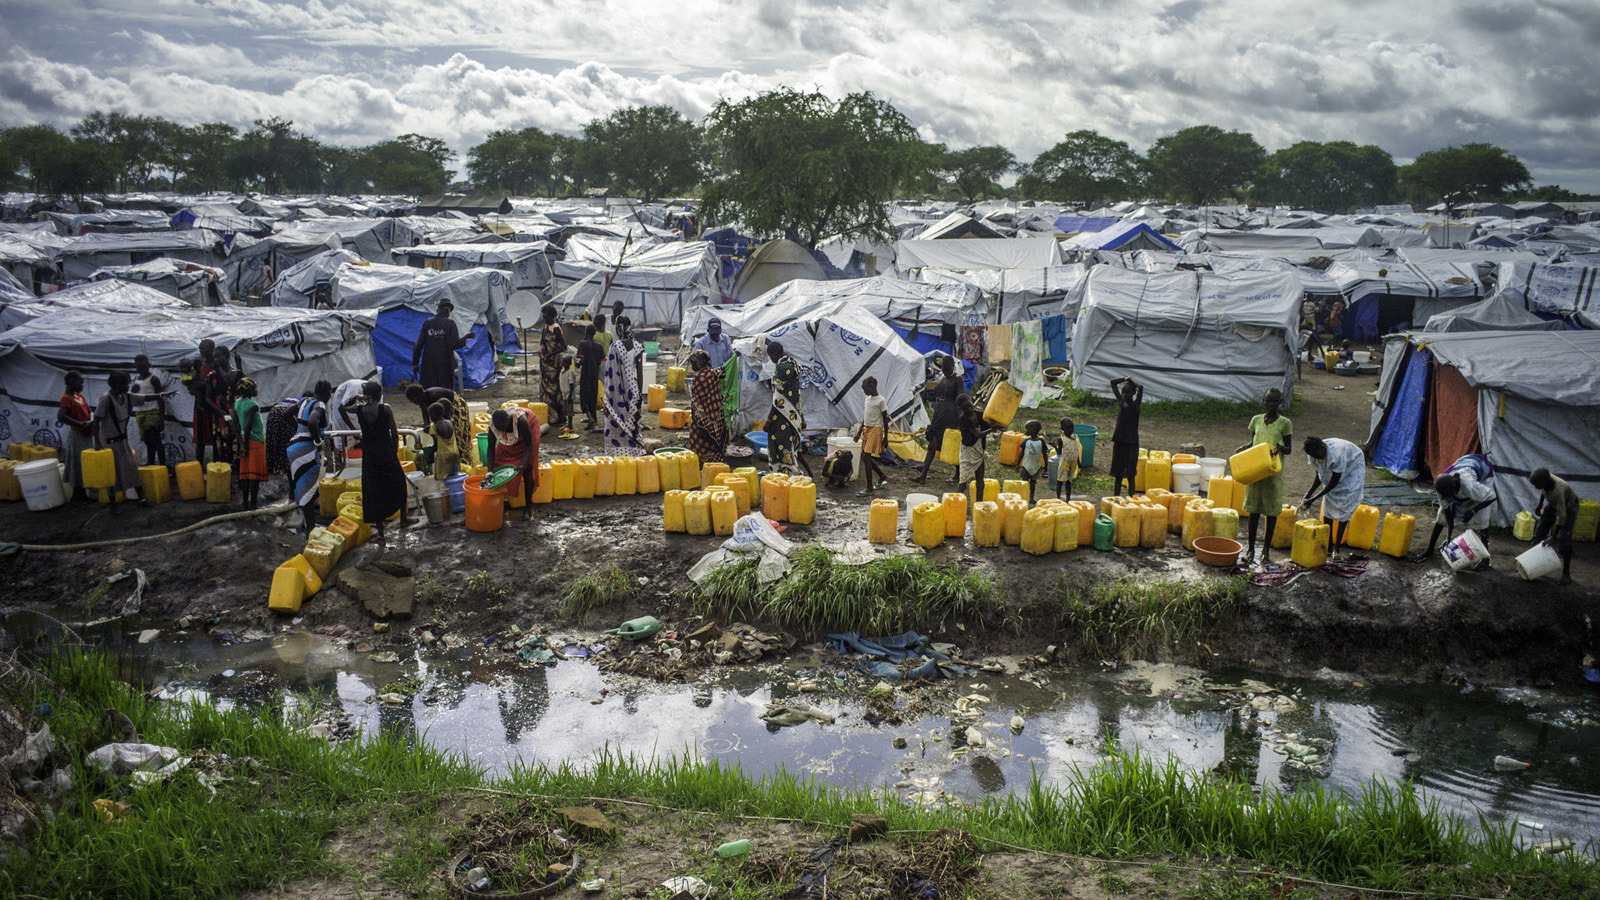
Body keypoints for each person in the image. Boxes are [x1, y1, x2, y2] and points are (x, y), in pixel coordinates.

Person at [342, 381, 411, 540]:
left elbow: (343, 408)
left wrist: (355, 397)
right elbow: (394, 432)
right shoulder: (385, 409)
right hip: (386, 451)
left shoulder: (359, 409)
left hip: (370, 454)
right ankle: (403, 519)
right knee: (399, 483)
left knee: (374, 490)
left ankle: (380, 531)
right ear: (380, 395)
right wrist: (394, 451)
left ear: (366, 395)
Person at [1239, 388, 1293, 565]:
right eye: (1268, 401)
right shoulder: (1255, 420)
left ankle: (1266, 551)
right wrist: (1243, 448)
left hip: (1273, 473)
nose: (1271, 405)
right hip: (1255, 471)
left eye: (1274, 402)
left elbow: (1289, 449)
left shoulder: (1285, 423)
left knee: (1271, 513)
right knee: (1253, 511)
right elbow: (1253, 442)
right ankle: (1250, 549)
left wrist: (1279, 447)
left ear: (1280, 403)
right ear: (1263, 401)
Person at [1413, 454, 1497, 561]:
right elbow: (1447, 513)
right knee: (1441, 516)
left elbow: (1493, 496)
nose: (1446, 498)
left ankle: (1486, 558)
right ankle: (1429, 551)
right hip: (1462, 464)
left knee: (1482, 518)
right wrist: (1448, 537)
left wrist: (1472, 511)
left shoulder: (1471, 487)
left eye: (1448, 495)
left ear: (1454, 488)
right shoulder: (1441, 487)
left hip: (1483, 469)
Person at [1301, 436, 1366, 555]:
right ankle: (1329, 543)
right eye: (1313, 456)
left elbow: (1334, 481)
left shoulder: (1337, 455)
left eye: (1316, 454)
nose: (1315, 458)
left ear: (1322, 447)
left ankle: (1336, 547)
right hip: (1335, 473)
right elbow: (1319, 477)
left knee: (1345, 503)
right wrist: (1307, 496)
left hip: (1353, 463)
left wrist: (1314, 498)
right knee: (1328, 505)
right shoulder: (1313, 453)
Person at [287, 381, 332, 533]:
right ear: (328, 394)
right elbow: (313, 422)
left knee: (304, 489)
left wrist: (299, 430)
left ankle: (309, 527)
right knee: (309, 493)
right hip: (306, 450)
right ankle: (311, 531)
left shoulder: (304, 401)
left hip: (294, 447)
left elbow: (286, 414)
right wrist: (317, 442)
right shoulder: (320, 404)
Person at [91, 370, 141, 506]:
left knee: (131, 468)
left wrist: (161, 395)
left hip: (122, 441)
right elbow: (96, 421)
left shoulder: (126, 397)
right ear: (118, 384)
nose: (128, 386)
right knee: (112, 473)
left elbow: (143, 397)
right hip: (109, 443)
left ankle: (141, 498)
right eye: (126, 383)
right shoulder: (106, 399)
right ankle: (113, 505)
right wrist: (96, 442)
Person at [764, 340, 812, 478]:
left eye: (771, 356)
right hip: (794, 414)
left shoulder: (782, 368)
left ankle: (791, 474)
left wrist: (768, 419)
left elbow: (778, 398)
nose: (771, 359)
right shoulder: (792, 363)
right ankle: (807, 473)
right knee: (792, 446)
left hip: (782, 415)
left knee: (783, 445)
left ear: (775, 353)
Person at [912, 355, 962, 485]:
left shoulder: (957, 379)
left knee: (952, 444)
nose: (945, 371)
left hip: (951, 415)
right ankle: (923, 475)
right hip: (939, 413)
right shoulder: (941, 377)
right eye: (944, 368)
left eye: (947, 368)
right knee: (932, 444)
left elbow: (961, 399)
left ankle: (958, 474)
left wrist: (960, 419)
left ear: (952, 366)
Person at [602, 316, 648, 457]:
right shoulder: (638, 346)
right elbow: (640, 372)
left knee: (615, 423)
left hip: (617, 392)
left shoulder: (615, 347)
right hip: (633, 390)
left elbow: (610, 377)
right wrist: (638, 394)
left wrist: (607, 400)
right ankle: (634, 451)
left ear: (617, 328)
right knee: (632, 423)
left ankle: (618, 453)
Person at [488, 406, 539, 518]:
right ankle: (503, 500)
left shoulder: (521, 421)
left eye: (504, 428)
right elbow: (491, 448)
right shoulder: (494, 425)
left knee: (527, 468)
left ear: (508, 421)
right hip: (512, 436)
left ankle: (528, 509)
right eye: (500, 430)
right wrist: (489, 472)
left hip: (530, 428)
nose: (503, 432)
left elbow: (529, 445)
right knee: (498, 460)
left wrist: (522, 463)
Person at [1530, 467, 1578, 585]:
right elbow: (1543, 491)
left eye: (1536, 484)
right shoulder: (1545, 480)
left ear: (1545, 481)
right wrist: (1540, 504)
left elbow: (1562, 516)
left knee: (1565, 540)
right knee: (1539, 534)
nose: (1535, 487)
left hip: (1569, 508)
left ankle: (1566, 574)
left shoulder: (1558, 490)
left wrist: (1554, 536)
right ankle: (1532, 565)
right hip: (1552, 505)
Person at [404, 384, 471, 466]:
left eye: (413, 400)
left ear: (418, 395)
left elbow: (443, 416)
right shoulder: (422, 402)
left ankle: (463, 462)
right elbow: (426, 422)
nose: (414, 403)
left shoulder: (434, 397)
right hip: (445, 413)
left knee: (458, 434)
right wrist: (426, 432)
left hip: (456, 405)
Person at [411, 300, 465, 391]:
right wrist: (466, 338)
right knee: (445, 395)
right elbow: (455, 344)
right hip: (445, 367)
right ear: (447, 311)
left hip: (429, 366)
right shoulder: (450, 324)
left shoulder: (427, 323)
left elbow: (418, 345)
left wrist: (415, 364)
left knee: (429, 394)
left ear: (438, 309)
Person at [686, 349, 728, 465]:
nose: (692, 366)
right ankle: (716, 460)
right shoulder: (714, 372)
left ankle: (701, 462)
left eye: (693, 364)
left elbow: (697, 400)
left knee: (698, 440)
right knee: (714, 441)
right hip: (716, 413)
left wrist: (697, 414)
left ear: (699, 364)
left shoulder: (699, 378)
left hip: (703, 415)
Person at [57, 371, 93, 502]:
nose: (82, 385)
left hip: (85, 433)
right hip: (77, 434)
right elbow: (61, 416)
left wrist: (89, 422)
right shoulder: (66, 398)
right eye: (80, 382)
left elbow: (89, 411)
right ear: (71, 382)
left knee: (84, 463)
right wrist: (79, 424)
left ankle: (82, 493)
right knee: (78, 464)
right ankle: (78, 495)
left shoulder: (78, 396)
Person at [955, 394, 999, 502]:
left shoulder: (979, 414)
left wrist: (994, 424)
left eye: (970, 406)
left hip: (979, 451)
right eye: (966, 408)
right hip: (967, 451)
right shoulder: (963, 419)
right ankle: (953, 503)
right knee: (963, 482)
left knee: (980, 482)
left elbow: (987, 424)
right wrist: (992, 429)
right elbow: (978, 434)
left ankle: (978, 505)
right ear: (961, 409)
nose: (970, 409)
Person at [234, 378, 267, 511]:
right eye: (254, 388)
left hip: (244, 439)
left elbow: (235, 425)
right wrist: (246, 445)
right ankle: (253, 504)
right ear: (248, 390)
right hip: (254, 441)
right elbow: (248, 426)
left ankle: (245, 503)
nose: (256, 390)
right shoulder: (253, 405)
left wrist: (241, 443)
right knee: (254, 476)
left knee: (246, 474)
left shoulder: (237, 403)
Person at [202, 348, 241, 465]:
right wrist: (220, 412)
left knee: (237, 442)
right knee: (221, 445)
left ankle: (238, 475)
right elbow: (208, 398)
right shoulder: (212, 376)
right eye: (214, 357)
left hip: (237, 416)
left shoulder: (239, 374)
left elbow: (245, 396)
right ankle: (223, 473)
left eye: (218, 356)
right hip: (220, 418)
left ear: (227, 356)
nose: (216, 360)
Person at [130, 354, 167, 469]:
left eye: (143, 365)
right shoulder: (136, 379)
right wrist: (132, 390)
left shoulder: (153, 379)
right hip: (141, 413)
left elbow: (161, 398)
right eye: (138, 365)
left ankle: (162, 466)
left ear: (148, 364)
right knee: (147, 441)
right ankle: (151, 463)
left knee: (155, 440)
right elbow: (133, 397)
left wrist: (162, 418)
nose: (141, 368)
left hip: (152, 413)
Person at [1108, 377, 1143, 496]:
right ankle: (1116, 498)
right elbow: (1113, 383)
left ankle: (1131, 499)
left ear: (1133, 393)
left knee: (1130, 474)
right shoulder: (1122, 404)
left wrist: (1132, 381)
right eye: (1123, 392)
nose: (1124, 395)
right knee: (1118, 474)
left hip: (1131, 444)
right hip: (1119, 442)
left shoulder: (1135, 406)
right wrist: (1123, 378)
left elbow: (1141, 387)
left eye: (1127, 392)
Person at [538, 304, 569, 433]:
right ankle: (550, 417)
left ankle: (559, 417)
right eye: (543, 317)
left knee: (555, 390)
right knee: (546, 391)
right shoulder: (545, 327)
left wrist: (551, 354)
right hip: (545, 363)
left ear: (552, 316)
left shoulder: (556, 328)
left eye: (546, 317)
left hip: (553, 363)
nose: (545, 319)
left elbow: (563, 346)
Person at [859, 376, 890, 493]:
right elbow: (865, 417)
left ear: (872, 387)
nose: (864, 392)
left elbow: (885, 420)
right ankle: (882, 476)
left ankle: (869, 488)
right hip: (867, 429)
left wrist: (886, 437)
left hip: (876, 429)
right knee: (864, 456)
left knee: (867, 456)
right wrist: (859, 431)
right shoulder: (867, 398)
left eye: (866, 389)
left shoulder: (881, 400)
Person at [189, 339, 216, 465]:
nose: (201, 351)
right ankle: (199, 466)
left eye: (204, 348)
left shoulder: (217, 364)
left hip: (214, 406)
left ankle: (217, 464)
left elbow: (218, 384)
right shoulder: (198, 364)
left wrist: (203, 386)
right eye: (200, 348)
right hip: (199, 405)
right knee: (200, 437)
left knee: (216, 435)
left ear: (212, 349)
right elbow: (191, 383)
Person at [576, 324, 604, 431]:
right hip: (595, 373)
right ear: (594, 333)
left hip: (586, 373)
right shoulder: (599, 346)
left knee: (584, 397)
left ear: (586, 332)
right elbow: (601, 361)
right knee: (593, 396)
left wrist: (578, 364)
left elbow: (581, 359)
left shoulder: (583, 344)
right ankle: (594, 419)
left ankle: (590, 418)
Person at [427, 401, 461, 479]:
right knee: (455, 476)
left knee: (442, 479)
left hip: (443, 456)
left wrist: (430, 456)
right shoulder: (450, 423)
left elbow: (436, 445)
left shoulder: (434, 427)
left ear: (433, 414)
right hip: (455, 453)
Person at [1019, 419, 1050, 504]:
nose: (1026, 431)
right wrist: (1018, 464)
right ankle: (1024, 497)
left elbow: (1044, 453)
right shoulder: (1026, 441)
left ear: (1033, 430)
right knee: (1024, 483)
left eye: (1027, 429)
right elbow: (1021, 453)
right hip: (1026, 466)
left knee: (1033, 483)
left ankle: (1031, 498)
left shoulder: (1041, 441)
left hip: (1036, 466)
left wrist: (1046, 464)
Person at [1053, 416, 1081, 501]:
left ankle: (1068, 498)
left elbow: (1077, 451)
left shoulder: (1076, 438)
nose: (1071, 430)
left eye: (1072, 427)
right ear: (1062, 428)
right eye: (1068, 428)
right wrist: (1055, 447)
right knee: (1060, 480)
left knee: (1069, 481)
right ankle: (1058, 497)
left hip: (1073, 463)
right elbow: (1059, 453)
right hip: (1064, 463)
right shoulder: (1061, 439)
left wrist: (1078, 463)